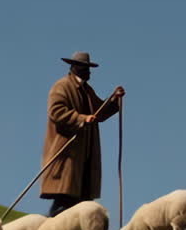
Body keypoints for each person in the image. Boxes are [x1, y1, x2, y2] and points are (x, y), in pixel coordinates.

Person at [39, 51, 125, 217]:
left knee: (81, 199)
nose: (88, 71)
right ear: (74, 67)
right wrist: (82, 118)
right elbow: (56, 111)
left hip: (85, 153)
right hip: (68, 151)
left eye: (88, 68)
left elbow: (99, 112)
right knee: (64, 197)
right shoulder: (62, 86)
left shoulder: (87, 90)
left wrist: (114, 100)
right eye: (84, 67)